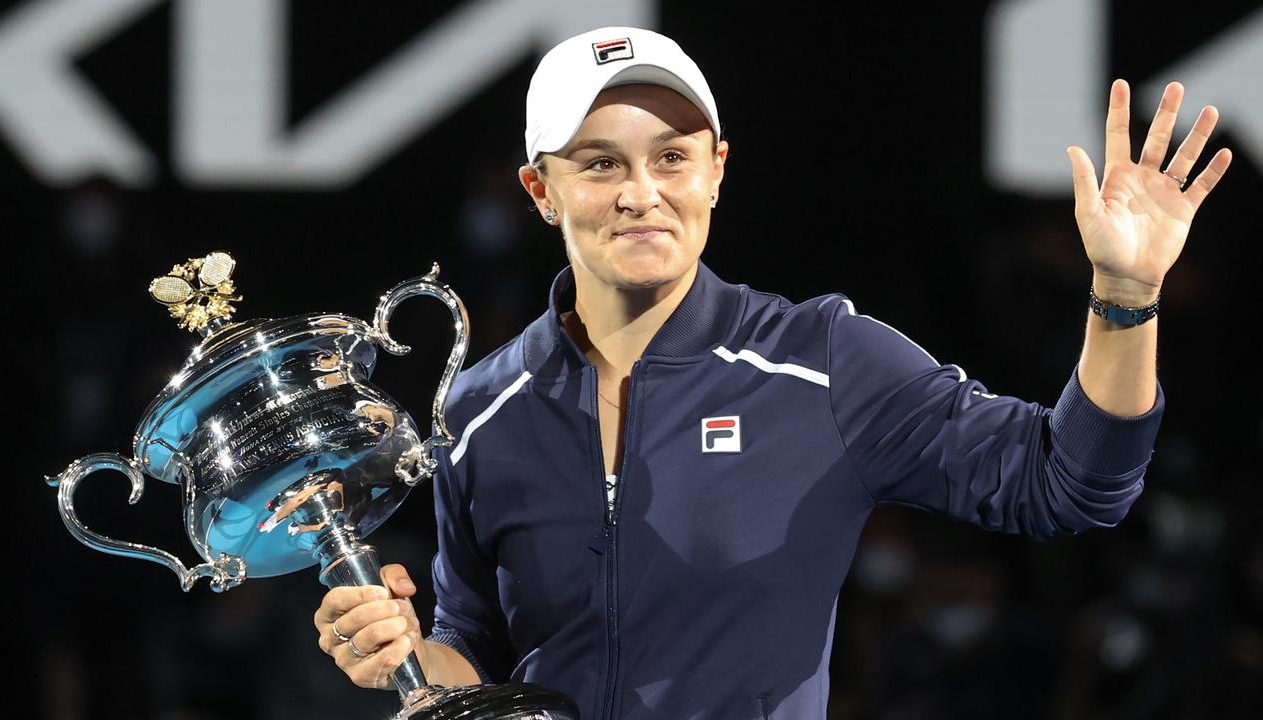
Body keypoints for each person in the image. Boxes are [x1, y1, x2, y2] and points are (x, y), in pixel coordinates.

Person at [311, 26, 1233, 719]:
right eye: (599, 165)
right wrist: (404, 655)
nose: (642, 193)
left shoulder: (821, 362)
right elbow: (482, 651)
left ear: (716, 171)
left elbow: (1069, 482)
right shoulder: (479, 408)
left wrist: (1122, 292)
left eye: (672, 158)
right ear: (541, 190)